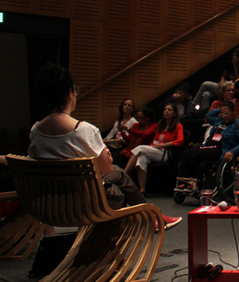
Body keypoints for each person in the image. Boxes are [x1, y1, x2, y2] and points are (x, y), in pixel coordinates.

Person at [27, 64, 180, 228]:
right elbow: (105, 168)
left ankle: (153, 217)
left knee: (118, 173)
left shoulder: (35, 130)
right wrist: (105, 155)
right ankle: (150, 219)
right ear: (69, 94)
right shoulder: (84, 130)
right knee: (116, 184)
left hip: (47, 204)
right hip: (84, 203)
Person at [177, 101, 239, 194]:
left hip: (222, 149)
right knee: (186, 153)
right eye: (222, 114)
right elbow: (209, 115)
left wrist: (233, 152)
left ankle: (195, 182)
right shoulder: (219, 122)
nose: (223, 116)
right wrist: (222, 109)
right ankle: (184, 182)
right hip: (208, 145)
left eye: (226, 113)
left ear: (234, 112)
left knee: (198, 156)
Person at [130, 103, 185, 195]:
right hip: (155, 150)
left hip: (166, 152)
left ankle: (124, 173)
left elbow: (180, 141)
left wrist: (163, 145)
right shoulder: (160, 125)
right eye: (165, 110)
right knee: (141, 158)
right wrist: (153, 146)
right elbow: (155, 140)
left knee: (139, 148)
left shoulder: (178, 126)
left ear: (175, 113)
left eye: (169, 110)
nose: (166, 111)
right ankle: (142, 190)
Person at [192, 49, 239, 113]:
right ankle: (205, 113)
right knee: (206, 94)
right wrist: (221, 84)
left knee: (205, 84)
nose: (234, 57)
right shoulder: (230, 64)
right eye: (233, 55)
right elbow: (223, 76)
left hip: (233, 89)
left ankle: (194, 103)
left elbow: (238, 81)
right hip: (224, 86)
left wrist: (235, 67)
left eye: (236, 56)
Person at [116, 106, 157, 172]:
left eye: (141, 118)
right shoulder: (136, 125)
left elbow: (145, 135)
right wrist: (123, 134)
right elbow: (130, 141)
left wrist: (128, 129)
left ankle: (123, 175)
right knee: (115, 156)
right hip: (131, 149)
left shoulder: (153, 126)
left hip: (142, 152)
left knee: (121, 159)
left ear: (147, 118)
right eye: (138, 118)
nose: (139, 120)